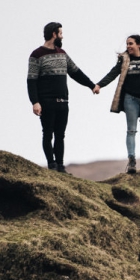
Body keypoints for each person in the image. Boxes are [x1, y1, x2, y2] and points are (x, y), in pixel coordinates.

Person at [27, 22, 100, 173]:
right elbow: (31, 80)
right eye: (60, 33)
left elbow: (75, 72)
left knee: (60, 135)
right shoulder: (36, 55)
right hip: (46, 102)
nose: (62, 36)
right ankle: (51, 164)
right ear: (54, 34)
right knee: (48, 134)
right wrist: (35, 102)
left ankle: (60, 166)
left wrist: (91, 85)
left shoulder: (62, 53)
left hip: (63, 102)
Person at [97, 34, 140, 175]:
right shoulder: (124, 59)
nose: (128, 46)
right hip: (131, 99)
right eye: (127, 44)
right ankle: (132, 163)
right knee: (131, 130)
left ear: (139, 44)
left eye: (131, 43)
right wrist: (99, 85)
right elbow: (113, 73)